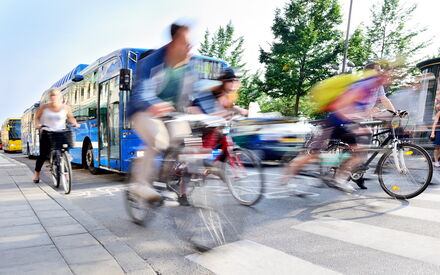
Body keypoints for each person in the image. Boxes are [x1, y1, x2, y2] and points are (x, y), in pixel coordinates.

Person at [280, 69, 392, 193]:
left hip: (345, 124)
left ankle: (339, 178)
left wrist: (383, 115)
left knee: (360, 151)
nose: (388, 80)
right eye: (385, 77)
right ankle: (286, 176)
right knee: (313, 154)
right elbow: (341, 107)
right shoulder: (361, 89)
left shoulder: (369, 92)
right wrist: (357, 121)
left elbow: (359, 111)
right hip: (334, 123)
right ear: (377, 79)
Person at [127, 22, 199, 204]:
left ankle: (169, 179)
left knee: (190, 141)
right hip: (144, 111)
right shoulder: (151, 62)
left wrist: (203, 109)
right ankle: (140, 185)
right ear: (174, 43)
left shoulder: (189, 67)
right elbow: (141, 92)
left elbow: (196, 95)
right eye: (186, 43)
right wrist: (154, 104)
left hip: (173, 114)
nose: (190, 47)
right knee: (159, 140)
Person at [33, 88, 79, 183]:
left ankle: (65, 171)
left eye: (55, 95)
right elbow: (37, 118)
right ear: (50, 97)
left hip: (61, 132)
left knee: (65, 151)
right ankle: (37, 173)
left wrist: (75, 123)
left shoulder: (65, 107)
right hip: (47, 132)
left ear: (59, 97)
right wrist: (38, 124)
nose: (54, 97)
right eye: (52, 95)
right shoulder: (44, 107)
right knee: (43, 155)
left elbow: (70, 117)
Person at [430, 103, 440, 167]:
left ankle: (437, 160)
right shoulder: (439, 113)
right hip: (439, 131)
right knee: (437, 147)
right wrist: (432, 133)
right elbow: (435, 123)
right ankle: (436, 161)